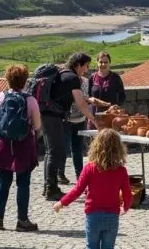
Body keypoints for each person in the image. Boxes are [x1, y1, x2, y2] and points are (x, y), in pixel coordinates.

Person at [53, 128, 131, 249]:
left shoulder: (90, 168)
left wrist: (62, 202)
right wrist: (126, 206)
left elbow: (77, 190)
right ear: (118, 148)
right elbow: (127, 193)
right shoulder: (121, 171)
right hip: (112, 217)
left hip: (93, 216)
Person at [41, 53, 108, 201]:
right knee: (55, 152)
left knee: (49, 152)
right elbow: (80, 103)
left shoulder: (63, 74)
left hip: (46, 115)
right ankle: (51, 190)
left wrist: (92, 99)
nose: (86, 70)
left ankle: (48, 187)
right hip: (54, 117)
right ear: (78, 65)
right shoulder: (72, 78)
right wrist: (94, 120)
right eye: (86, 66)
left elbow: (76, 96)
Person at [0, 64, 42, 232]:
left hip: (3, 144)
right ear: (25, 80)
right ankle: (22, 220)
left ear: (7, 79)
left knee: (3, 181)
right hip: (23, 144)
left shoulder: (0, 97)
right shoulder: (30, 100)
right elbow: (37, 125)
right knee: (23, 183)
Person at [61, 73, 91, 184]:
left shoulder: (86, 82)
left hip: (80, 119)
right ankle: (60, 174)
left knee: (77, 149)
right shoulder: (67, 81)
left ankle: (80, 175)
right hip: (66, 120)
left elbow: (87, 98)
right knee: (64, 148)